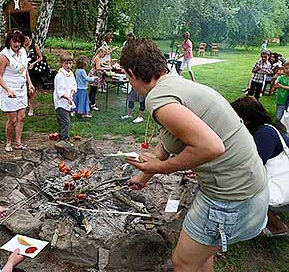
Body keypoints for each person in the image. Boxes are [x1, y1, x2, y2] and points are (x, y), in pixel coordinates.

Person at [121, 38, 268, 272]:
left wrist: (159, 168)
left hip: (230, 199)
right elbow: (168, 143)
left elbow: (212, 147)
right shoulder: (177, 86)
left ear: (131, 73)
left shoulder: (157, 98)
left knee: (183, 263)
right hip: (250, 188)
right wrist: (143, 176)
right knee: (200, 257)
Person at [231, 96, 289, 236]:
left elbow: (253, 166)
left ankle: (277, 227)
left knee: (244, 192)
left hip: (281, 186)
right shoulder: (264, 129)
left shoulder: (265, 133)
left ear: (246, 118)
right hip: (280, 179)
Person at [0, 30, 34, 152]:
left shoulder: (23, 51)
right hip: (9, 90)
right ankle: (8, 142)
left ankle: (18, 141)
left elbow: (24, 69)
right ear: (9, 41)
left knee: (21, 117)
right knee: (12, 120)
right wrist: (8, 90)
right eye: (14, 41)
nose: (17, 44)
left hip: (21, 89)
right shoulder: (4, 56)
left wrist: (30, 83)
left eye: (19, 41)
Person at [23, 29, 51, 117]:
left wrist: (33, 63)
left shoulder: (34, 45)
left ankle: (31, 108)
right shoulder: (21, 47)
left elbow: (41, 57)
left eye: (26, 38)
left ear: (29, 38)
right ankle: (27, 103)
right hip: (24, 70)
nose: (25, 40)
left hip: (34, 70)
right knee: (25, 89)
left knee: (33, 89)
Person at [54, 52, 77, 141]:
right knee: (65, 121)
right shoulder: (59, 76)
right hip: (61, 103)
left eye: (70, 63)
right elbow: (60, 91)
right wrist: (67, 97)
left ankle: (63, 137)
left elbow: (73, 86)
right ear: (61, 63)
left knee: (66, 121)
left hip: (68, 102)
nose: (68, 65)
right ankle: (63, 139)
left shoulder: (71, 74)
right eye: (66, 63)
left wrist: (71, 95)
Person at [89, 46, 110, 111]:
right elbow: (98, 68)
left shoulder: (97, 57)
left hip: (93, 75)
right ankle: (92, 105)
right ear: (101, 52)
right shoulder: (97, 58)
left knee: (92, 90)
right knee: (93, 91)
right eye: (104, 54)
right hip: (95, 76)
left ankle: (90, 103)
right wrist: (107, 68)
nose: (104, 56)